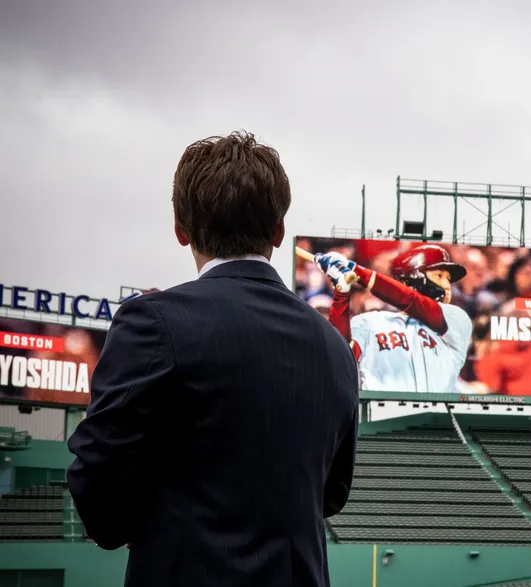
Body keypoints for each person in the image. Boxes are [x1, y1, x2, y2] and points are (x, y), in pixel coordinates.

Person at [66, 131, 360, 587]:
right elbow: (332, 494)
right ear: (279, 232)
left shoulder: (154, 321)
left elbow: (98, 483)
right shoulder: (335, 347)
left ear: (181, 230)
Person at [314, 244, 473, 393]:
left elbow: (410, 300)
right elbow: (338, 359)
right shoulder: (369, 322)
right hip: (379, 416)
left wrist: (358, 271)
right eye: (439, 276)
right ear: (413, 279)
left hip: (436, 418)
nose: (447, 285)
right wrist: (341, 292)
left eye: (448, 278)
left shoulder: (457, 320)